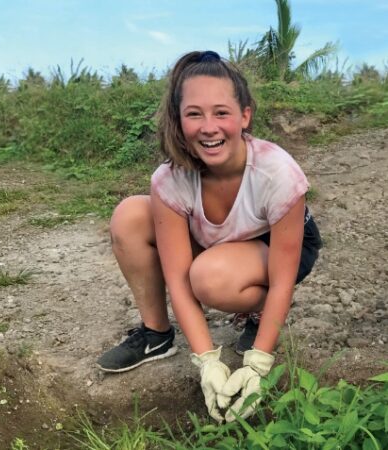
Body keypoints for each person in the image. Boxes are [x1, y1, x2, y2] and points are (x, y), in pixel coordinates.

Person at [97, 50, 322, 423]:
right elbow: (176, 279)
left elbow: (283, 280)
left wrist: (258, 364)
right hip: (219, 239)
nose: (208, 127)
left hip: (277, 247)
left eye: (221, 112)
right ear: (178, 119)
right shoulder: (170, 180)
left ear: (244, 116)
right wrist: (207, 363)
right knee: (130, 216)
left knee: (210, 278)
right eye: (194, 114)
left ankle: (259, 313)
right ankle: (156, 335)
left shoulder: (277, 172)